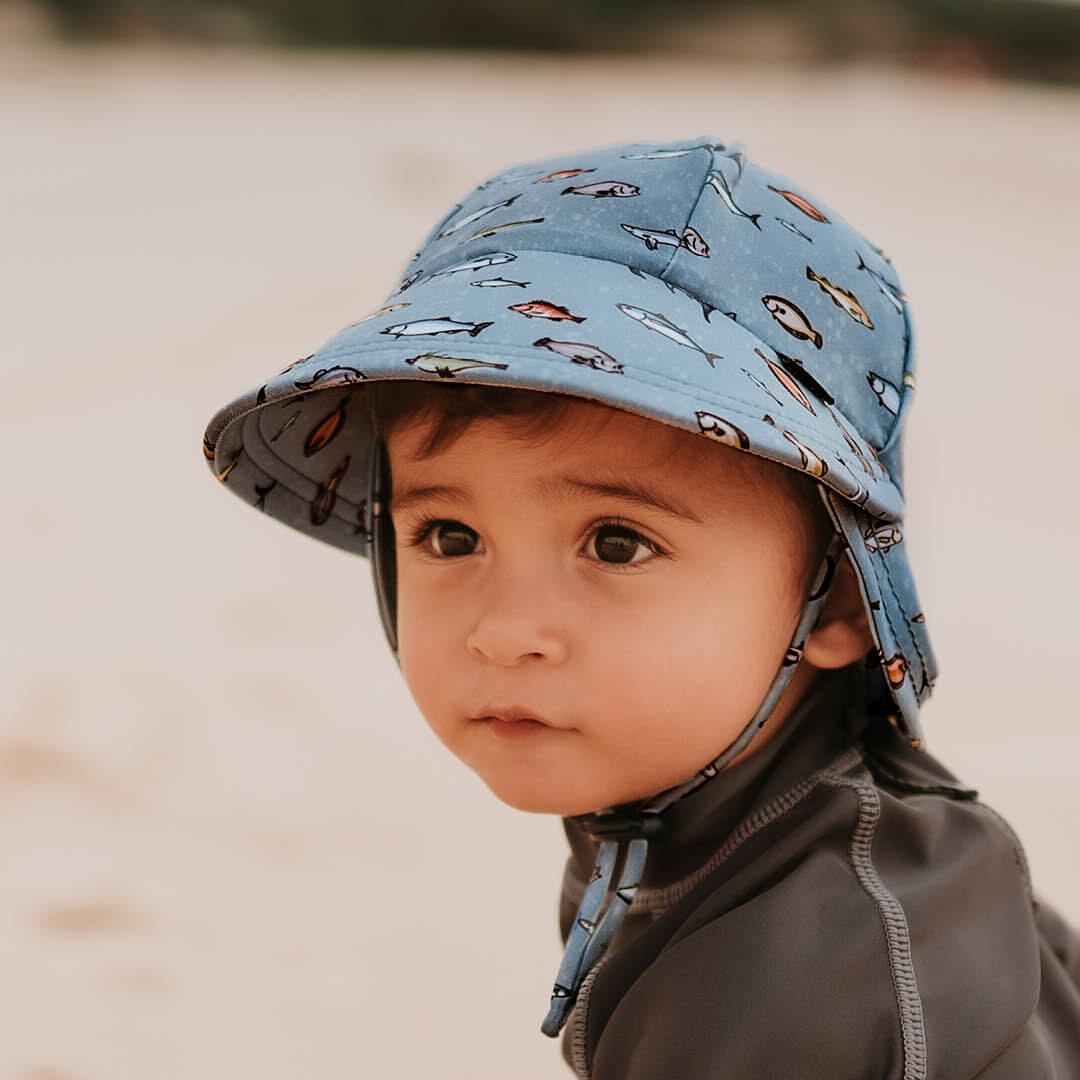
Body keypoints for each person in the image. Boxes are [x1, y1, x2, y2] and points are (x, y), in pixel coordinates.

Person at [202, 136, 1080, 1078]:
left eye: (616, 543)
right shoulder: (727, 819)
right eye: (450, 537)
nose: (503, 632)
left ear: (838, 606)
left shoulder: (808, 980)